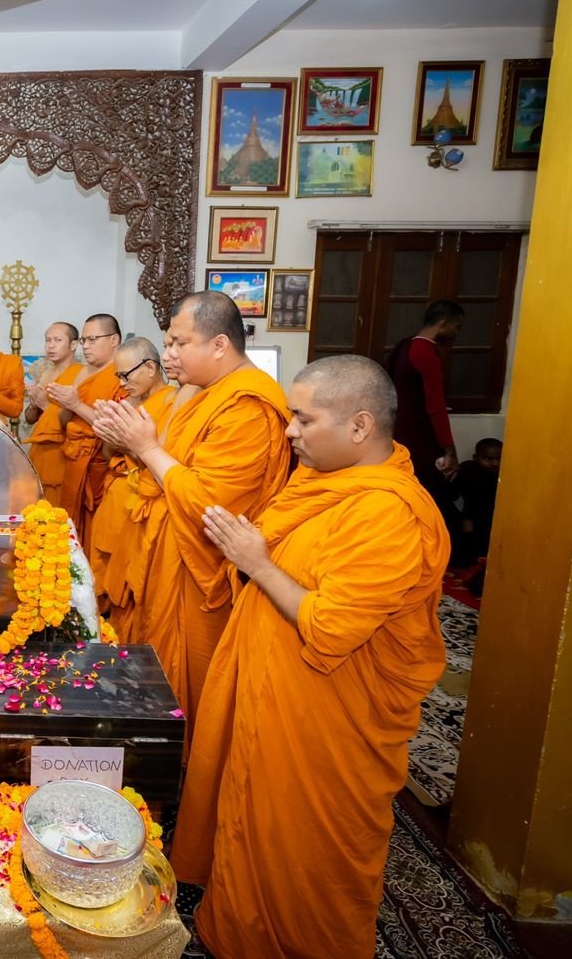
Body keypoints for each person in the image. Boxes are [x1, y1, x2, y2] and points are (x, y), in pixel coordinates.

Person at [170, 355, 448, 959]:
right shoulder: (324, 482)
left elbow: (330, 626)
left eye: (302, 418)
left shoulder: (389, 514)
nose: (289, 431)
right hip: (275, 694)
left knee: (305, 847)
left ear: (359, 426)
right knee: (251, 823)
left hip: (326, 725)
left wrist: (257, 562)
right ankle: (234, 931)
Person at [94, 292, 290, 728]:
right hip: (165, 549)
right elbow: (172, 464)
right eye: (168, 344)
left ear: (219, 345)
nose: (168, 355)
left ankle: (181, 765)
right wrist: (135, 443)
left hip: (198, 569)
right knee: (153, 673)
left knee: (187, 688)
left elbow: (209, 503)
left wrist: (144, 447)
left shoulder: (247, 406)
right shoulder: (204, 394)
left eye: (179, 343)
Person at [87, 338, 179, 613]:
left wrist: (130, 443)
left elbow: (163, 464)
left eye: (125, 375)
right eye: (118, 376)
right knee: (104, 575)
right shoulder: (127, 403)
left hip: (141, 506)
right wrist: (111, 436)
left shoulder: (174, 403)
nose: (122, 383)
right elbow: (107, 456)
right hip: (115, 500)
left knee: (129, 589)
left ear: (150, 367)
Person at [44, 313, 124, 550]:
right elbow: (63, 421)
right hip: (72, 459)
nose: (86, 346)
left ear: (114, 340)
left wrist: (76, 404)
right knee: (69, 527)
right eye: (85, 340)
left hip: (97, 463)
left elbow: (114, 429)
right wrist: (67, 404)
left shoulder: (121, 375)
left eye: (92, 340)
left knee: (92, 532)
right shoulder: (83, 372)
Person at [386, 300, 465, 529]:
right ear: (443, 323)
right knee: (430, 498)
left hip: (396, 434)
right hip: (419, 439)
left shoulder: (405, 345)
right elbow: (436, 406)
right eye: (456, 327)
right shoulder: (425, 352)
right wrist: (450, 451)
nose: (455, 333)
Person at [25, 322, 82, 507]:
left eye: (57, 340)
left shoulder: (80, 374)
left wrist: (44, 404)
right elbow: (30, 418)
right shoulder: (46, 373)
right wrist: (34, 404)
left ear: (73, 345)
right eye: (48, 340)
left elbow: (75, 417)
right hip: (39, 452)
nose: (51, 345)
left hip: (61, 453)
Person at [451, 437, 502, 587]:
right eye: (488, 458)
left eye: (498, 458)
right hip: (472, 518)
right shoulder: (469, 471)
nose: (494, 463)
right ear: (476, 457)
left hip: (496, 517)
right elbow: (452, 495)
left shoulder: (505, 473)